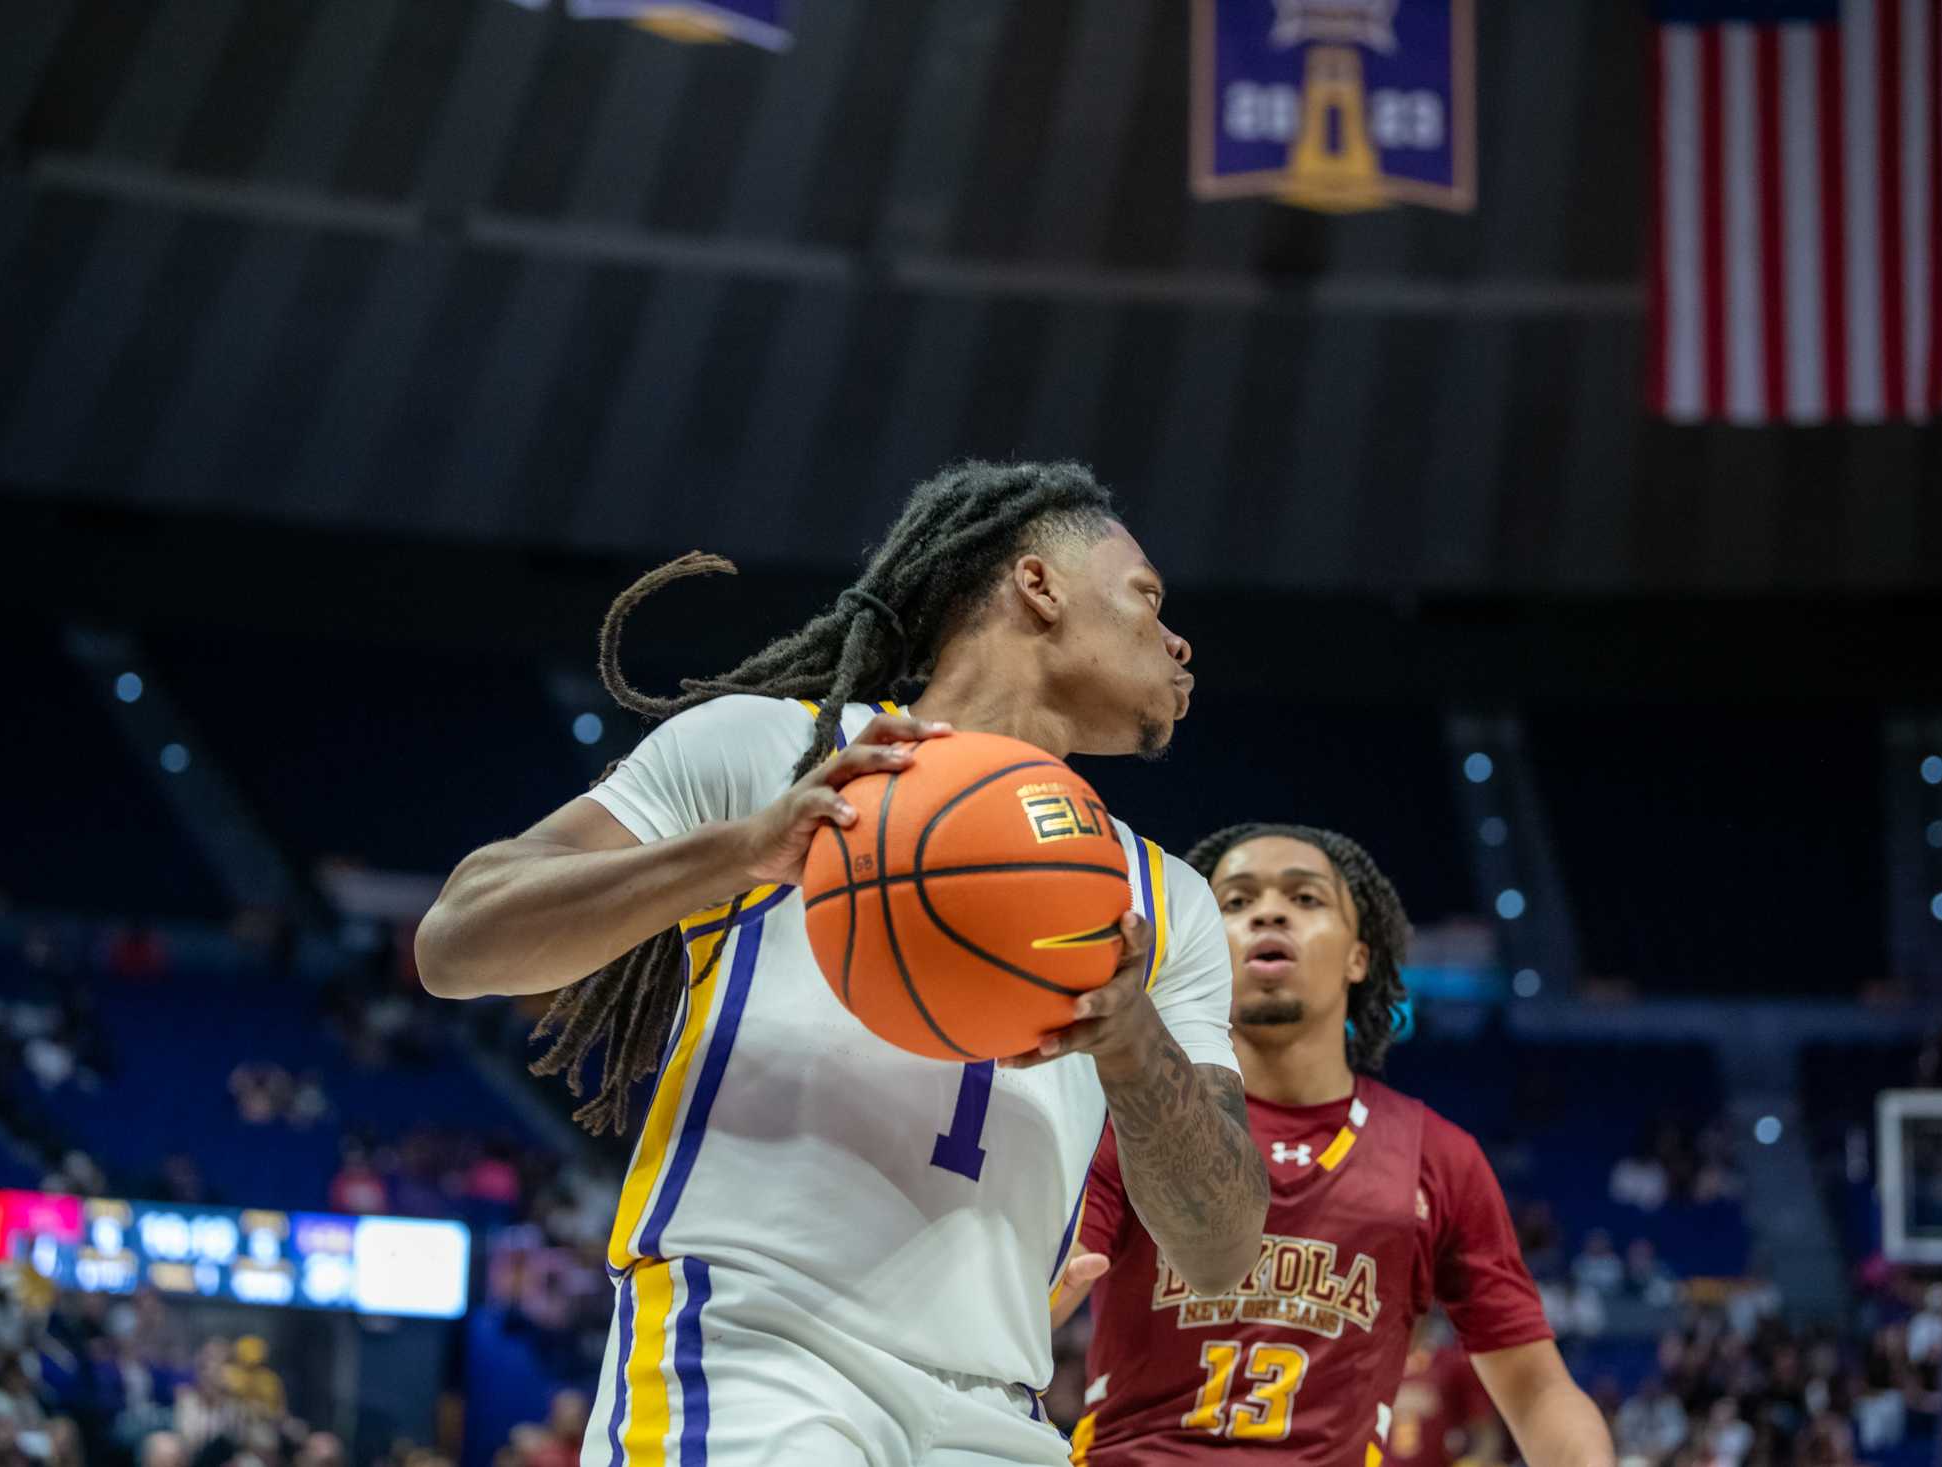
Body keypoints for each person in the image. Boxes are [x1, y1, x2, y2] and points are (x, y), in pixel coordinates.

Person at [418, 462, 1267, 1466]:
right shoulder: (779, 752)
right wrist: (736, 854)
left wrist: (1132, 1047)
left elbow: (1220, 1251)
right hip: (757, 1353)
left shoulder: (1165, 900)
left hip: (1000, 1408)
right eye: (1145, 597)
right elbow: (457, 940)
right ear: (1039, 585)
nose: (1177, 643)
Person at [1051, 823, 1611, 1467]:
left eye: (1306, 899)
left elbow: (1537, 1388)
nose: (1267, 911)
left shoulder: (1440, 1157)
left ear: (1359, 955)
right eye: (1234, 902)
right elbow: (1040, 1298)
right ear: (1201, 943)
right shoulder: (1130, 1114)